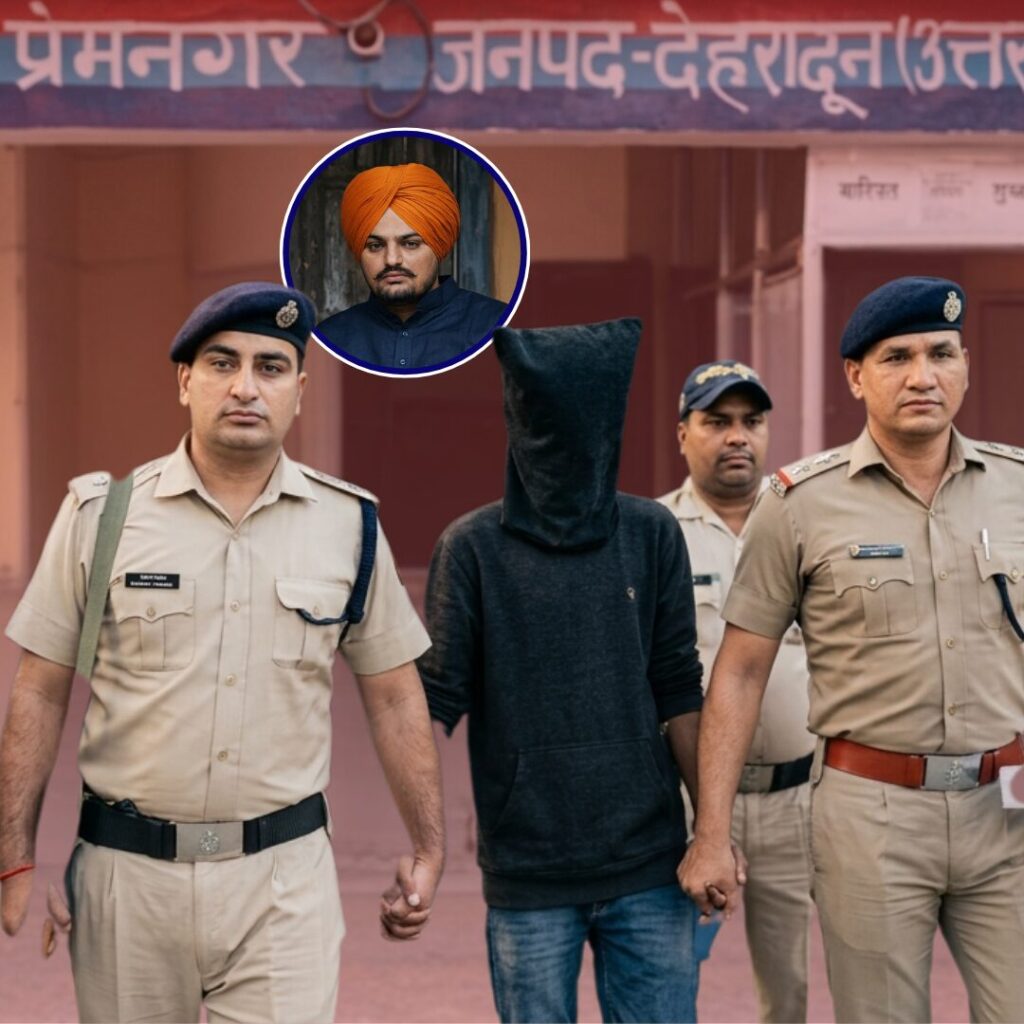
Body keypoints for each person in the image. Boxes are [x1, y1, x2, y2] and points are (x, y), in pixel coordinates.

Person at [0, 282, 446, 1024]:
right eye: (221, 363)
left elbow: (395, 695)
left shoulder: (349, 525)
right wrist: (14, 856)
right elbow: (39, 690)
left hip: (283, 885)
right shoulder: (101, 517)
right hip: (127, 883)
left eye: (271, 367)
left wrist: (429, 848)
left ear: (299, 391)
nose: (245, 387)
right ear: (185, 381)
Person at [681, 276, 1024, 1023]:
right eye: (897, 358)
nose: (923, 376)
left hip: (1007, 813)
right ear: (856, 376)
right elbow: (740, 673)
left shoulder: (1017, 487)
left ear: (966, 366)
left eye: (941, 354)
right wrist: (711, 832)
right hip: (872, 817)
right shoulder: (799, 504)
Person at [418, 318, 705, 1024]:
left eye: (586, 416)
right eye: (547, 418)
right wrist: (423, 848)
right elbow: (427, 706)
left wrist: (714, 833)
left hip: (651, 866)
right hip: (529, 878)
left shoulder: (652, 534)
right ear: (519, 420)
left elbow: (678, 688)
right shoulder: (471, 549)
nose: (567, 438)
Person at [659, 360, 814, 1024]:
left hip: (794, 801)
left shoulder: (805, 525)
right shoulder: (653, 532)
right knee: (667, 976)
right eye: (717, 422)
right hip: (683, 804)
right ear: (683, 434)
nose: (737, 438)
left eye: (751, 422)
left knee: (788, 988)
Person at [316, 163, 508, 370]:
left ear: (438, 246)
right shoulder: (328, 338)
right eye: (375, 246)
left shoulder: (498, 326)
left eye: (410, 244)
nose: (391, 260)